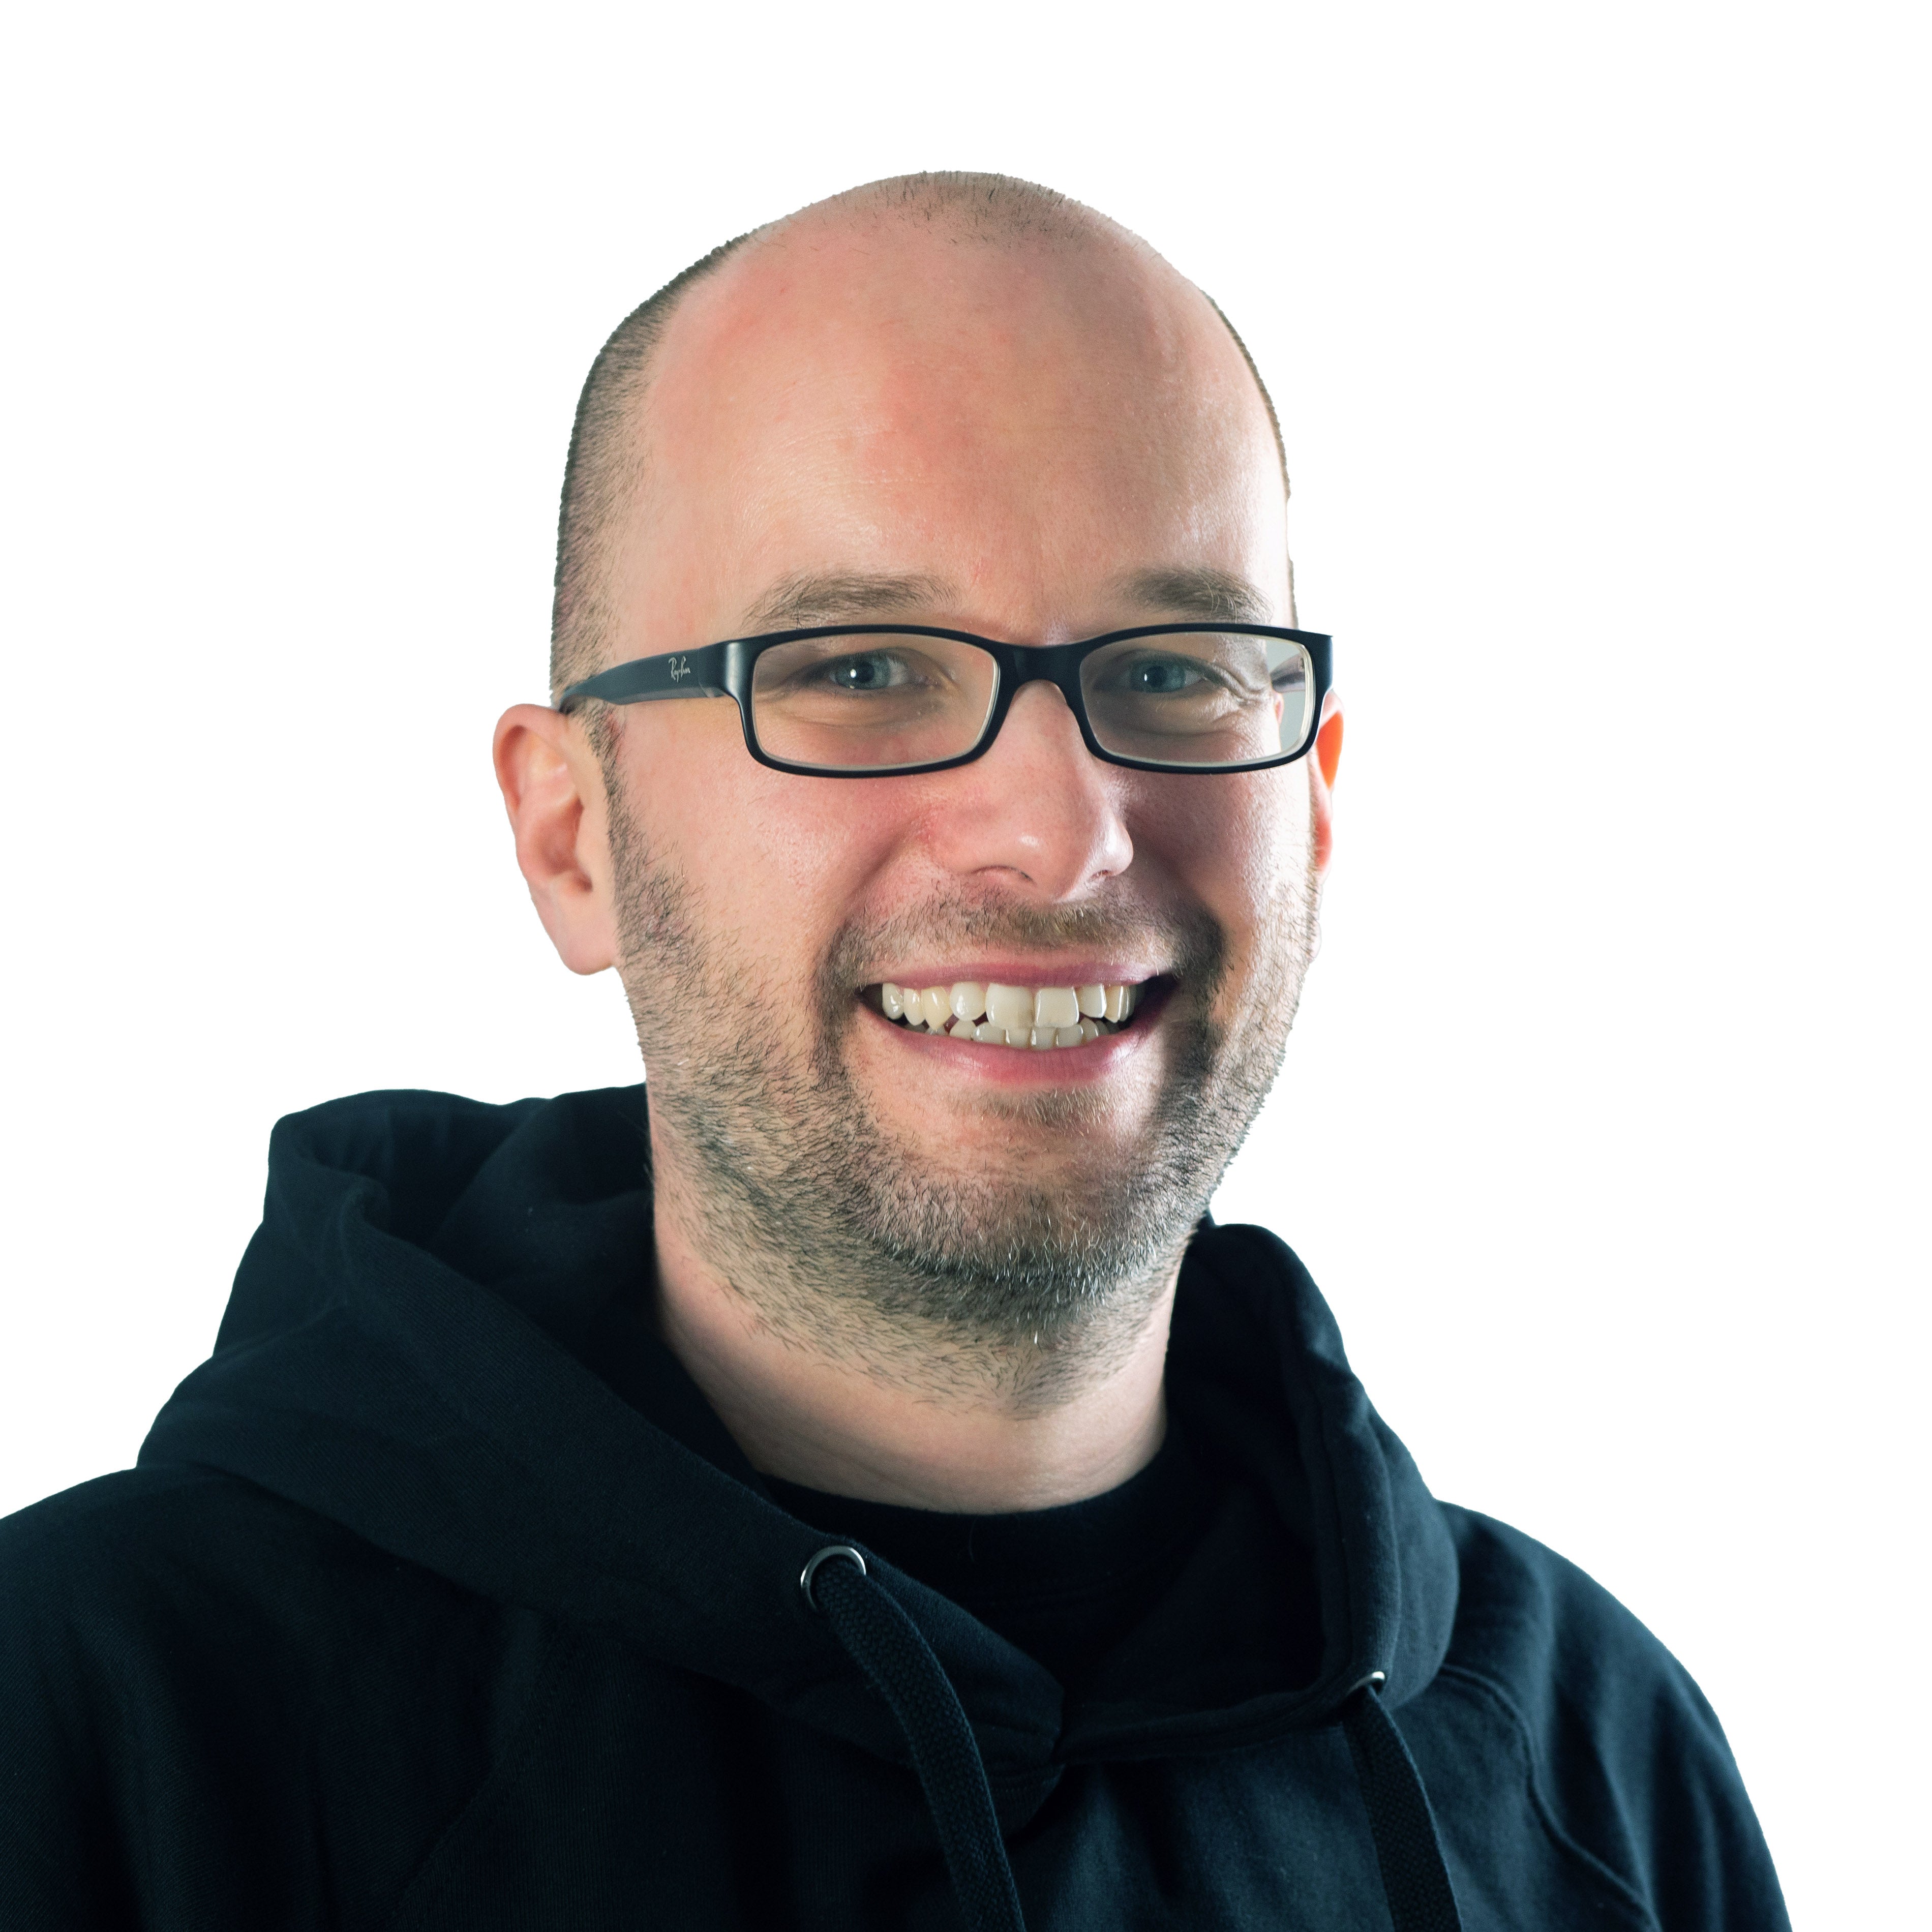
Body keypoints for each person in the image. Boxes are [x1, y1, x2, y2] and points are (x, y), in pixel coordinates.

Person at [0, 173, 1786, 1931]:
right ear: (572, 835)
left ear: (1314, 804)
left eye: (1176, 672)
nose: (1060, 836)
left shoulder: (1601, 1770)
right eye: (859, 671)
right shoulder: (103, 1731)